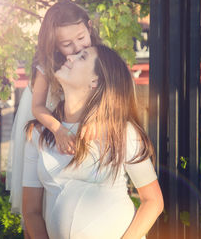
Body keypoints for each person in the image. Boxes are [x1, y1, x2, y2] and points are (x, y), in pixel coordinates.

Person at [22, 45, 164, 239]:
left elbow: (153, 201)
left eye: (81, 57)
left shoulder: (121, 132)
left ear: (94, 80)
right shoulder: (39, 134)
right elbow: (31, 211)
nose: (69, 57)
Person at [6, 0, 101, 215]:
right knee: (43, 194)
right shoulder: (47, 64)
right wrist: (58, 129)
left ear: (88, 27)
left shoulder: (97, 56)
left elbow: (105, 93)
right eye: (67, 44)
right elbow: (38, 107)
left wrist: (95, 118)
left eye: (81, 38)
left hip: (84, 120)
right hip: (51, 121)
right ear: (54, 45)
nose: (77, 48)